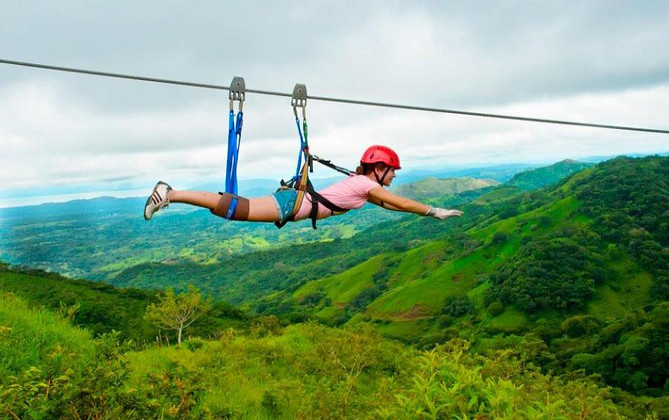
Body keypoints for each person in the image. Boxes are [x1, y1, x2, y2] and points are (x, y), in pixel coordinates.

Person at [144, 145, 464, 224]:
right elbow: (403, 202)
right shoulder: (367, 186)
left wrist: (426, 214)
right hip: (292, 204)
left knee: (233, 209)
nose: (394, 176)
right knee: (234, 209)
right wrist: (435, 211)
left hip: (292, 203)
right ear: (378, 169)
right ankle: (170, 193)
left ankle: (171, 194)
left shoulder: (364, 188)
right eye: (391, 171)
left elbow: (394, 206)